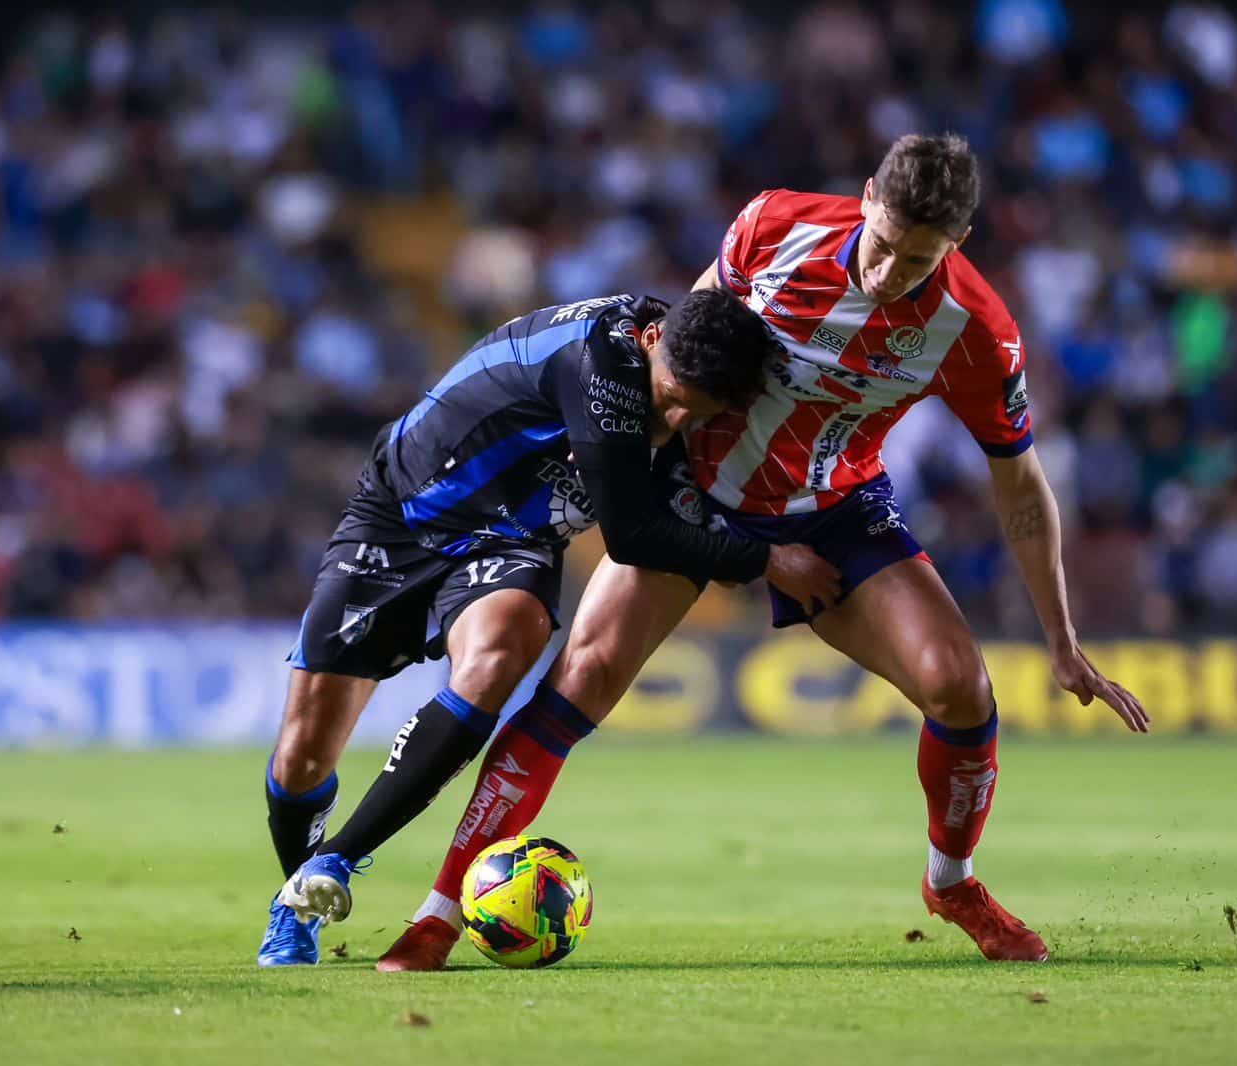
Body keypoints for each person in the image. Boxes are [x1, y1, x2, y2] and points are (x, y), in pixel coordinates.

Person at [377, 133, 1151, 972]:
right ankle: (441, 914)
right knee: (582, 678)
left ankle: (951, 881)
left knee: (960, 688)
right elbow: (685, 339)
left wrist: (1061, 641)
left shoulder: (976, 332)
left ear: (956, 245)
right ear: (865, 198)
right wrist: (625, 453)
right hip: (697, 491)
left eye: (918, 260)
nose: (889, 274)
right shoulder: (776, 227)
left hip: (833, 510)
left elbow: (1021, 488)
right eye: (885, 245)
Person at [256, 288, 842, 966]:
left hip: (512, 540)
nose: (676, 418)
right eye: (673, 396)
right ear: (652, 342)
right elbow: (631, 536)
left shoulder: (669, 351)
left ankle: (328, 871)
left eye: (696, 411)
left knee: (503, 651)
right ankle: (297, 888)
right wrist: (767, 559)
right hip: (401, 518)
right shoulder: (600, 364)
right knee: (302, 757)